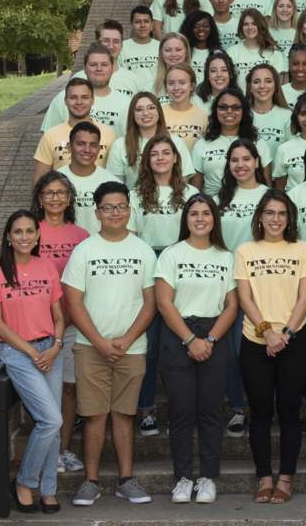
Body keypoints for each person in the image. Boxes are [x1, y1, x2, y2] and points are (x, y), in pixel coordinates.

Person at [61, 182, 157, 507]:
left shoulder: (142, 250)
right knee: (94, 415)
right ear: (97, 212)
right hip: (90, 348)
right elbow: (73, 302)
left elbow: (150, 302)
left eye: (120, 207)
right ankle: (90, 481)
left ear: (129, 210)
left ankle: (126, 480)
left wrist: (127, 339)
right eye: (108, 207)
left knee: (124, 415)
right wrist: (100, 342)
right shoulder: (85, 251)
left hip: (132, 347)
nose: (115, 212)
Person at [234, 191, 306, 504]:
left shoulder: (304, 249)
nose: (275, 219)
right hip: (256, 340)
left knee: (289, 412)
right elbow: (245, 298)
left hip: (293, 341)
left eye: (282, 213)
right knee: (259, 413)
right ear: (260, 216)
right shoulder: (245, 250)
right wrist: (267, 332)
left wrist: (284, 334)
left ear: (290, 218)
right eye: (269, 213)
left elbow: (305, 297)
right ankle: (264, 478)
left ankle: (285, 478)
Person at [155, 194, 239, 504]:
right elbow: (164, 302)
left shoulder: (226, 257)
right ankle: (182, 478)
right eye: (194, 213)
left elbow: (232, 305)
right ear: (186, 219)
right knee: (180, 411)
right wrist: (191, 340)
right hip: (179, 335)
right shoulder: (171, 255)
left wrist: (211, 340)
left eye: (206, 213)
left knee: (209, 411)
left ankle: (207, 477)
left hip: (215, 334)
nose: (200, 218)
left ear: (214, 219)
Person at [0, 210, 65, 513]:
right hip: (17, 353)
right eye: (18, 232)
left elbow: (58, 316)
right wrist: (31, 353)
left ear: (38, 235)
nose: (24, 237)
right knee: (51, 419)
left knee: (54, 420)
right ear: (8, 236)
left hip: (49, 349)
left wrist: (55, 346)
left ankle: (49, 490)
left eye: (30, 231)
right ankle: (25, 481)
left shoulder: (47, 266)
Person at [125, 133, 190, 434]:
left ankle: (184, 407)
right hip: (148, 269)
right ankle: (146, 407)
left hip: (181, 269)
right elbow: (132, 238)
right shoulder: (136, 195)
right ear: (147, 162)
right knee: (149, 347)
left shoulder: (190, 194)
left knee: (180, 343)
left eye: (167, 153)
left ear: (176, 158)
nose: (161, 158)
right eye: (155, 154)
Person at [33, 172, 89, 474]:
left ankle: (63, 449)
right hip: (39, 329)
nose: (55, 198)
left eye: (61, 193)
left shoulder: (80, 237)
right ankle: (46, 451)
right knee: (46, 394)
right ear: (40, 199)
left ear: (69, 199)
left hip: (72, 327)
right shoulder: (31, 233)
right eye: (49, 193)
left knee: (69, 390)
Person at [191, 88, 271, 197]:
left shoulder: (258, 143)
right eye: (223, 107)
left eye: (235, 107)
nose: (229, 111)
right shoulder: (202, 144)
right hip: (214, 206)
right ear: (215, 111)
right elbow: (196, 189)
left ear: (244, 111)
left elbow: (267, 185)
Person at [106, 92, 195, 188]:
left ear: (159, 111)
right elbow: (116, 185)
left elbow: (183, 179)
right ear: (132, 114)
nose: (146, 113)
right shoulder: (120, 145)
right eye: (139, 109)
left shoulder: (176, 142)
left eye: (151, 108)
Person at [40, 43, 131, 136]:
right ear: (85, 68)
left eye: (104, 64)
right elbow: (48, 139)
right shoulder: (62, 99)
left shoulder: (127, 103)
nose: (99, 69)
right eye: (93, 64)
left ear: (112, 68)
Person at [35, 78, 116, 178]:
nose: (79, 102)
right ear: (65, 101)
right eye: (73, 97)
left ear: (92, 100)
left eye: (85, 97)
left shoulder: (109, 133)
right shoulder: (50, 135)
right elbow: (39, 182)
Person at [61, 122, 119, 235]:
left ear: (99, 148)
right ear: (69, 147)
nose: (87, 149)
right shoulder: (55, 181)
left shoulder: (112, 183)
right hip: (63, 247)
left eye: (93, 145)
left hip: (99, 248)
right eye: (80, 144)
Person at [245, 63, 292, 161]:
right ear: (250, 87)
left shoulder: (287, 116)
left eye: (268, 81)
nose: (262, 86)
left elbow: (291, 153)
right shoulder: (242, 116)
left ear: (275, 86)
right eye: (256, 82)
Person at [158, 64, 208, 154]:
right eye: (171, 83)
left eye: (182, 83)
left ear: (192, 86)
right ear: (166, 87)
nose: (176, 88)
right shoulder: (158, 114)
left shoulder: (203, 116)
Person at [118, 6, 162, 92]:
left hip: (156, 97)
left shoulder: (161, 47)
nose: (142, 25)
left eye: (146, 21)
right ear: (131, 24)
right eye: (138, 22)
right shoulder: (121, 47)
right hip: (130, 96)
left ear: (152, 24)